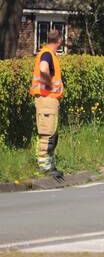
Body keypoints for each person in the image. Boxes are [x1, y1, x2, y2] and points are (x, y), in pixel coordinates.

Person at [30, 29, 65, 177]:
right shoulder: (47, 54)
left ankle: (49, 165)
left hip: (49, 100)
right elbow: (44, 68)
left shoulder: (48, 53)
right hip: (46, 98)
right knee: (47, 133)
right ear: (59, 41)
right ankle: (44, 167)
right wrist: (49, 83)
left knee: (51, 133)